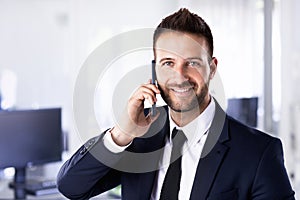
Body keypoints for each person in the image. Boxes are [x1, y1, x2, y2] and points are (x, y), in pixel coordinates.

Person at [57, 8, 295, 200]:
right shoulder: (139, 137)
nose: (180, 76)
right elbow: (71, 187)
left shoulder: (259, 152)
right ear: (155, 69)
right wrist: (121, 133)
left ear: (212, 68)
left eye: (191, 62)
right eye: (168, 63)